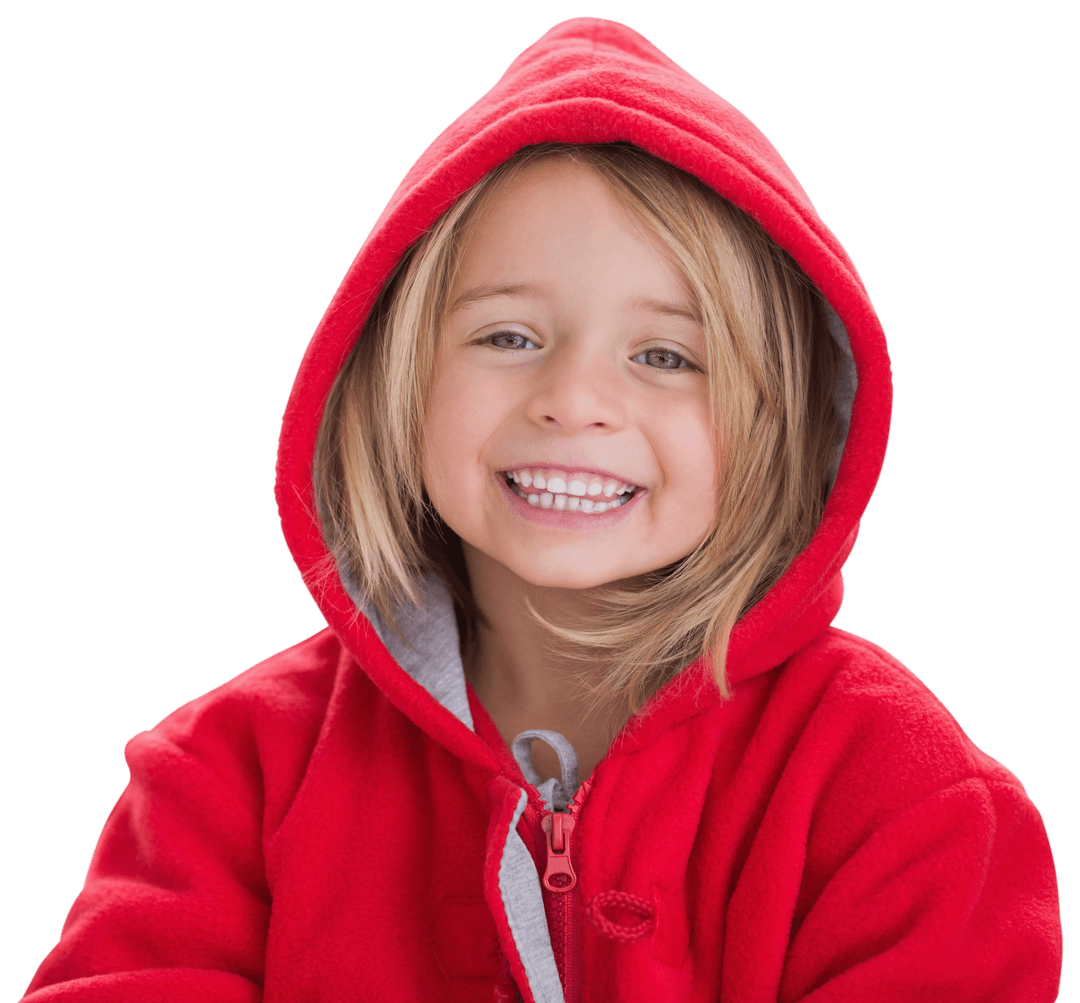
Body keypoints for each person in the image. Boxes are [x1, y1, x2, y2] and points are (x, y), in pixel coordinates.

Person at [21, 16, 1062, 1003]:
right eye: (508, 336)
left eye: (666, 356)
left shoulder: (903, 799)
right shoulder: (225, 777)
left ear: (779, 426)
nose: (572, 398)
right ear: (397, 378)